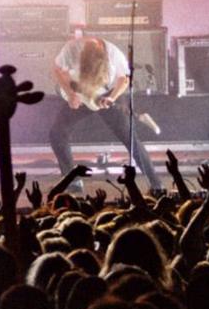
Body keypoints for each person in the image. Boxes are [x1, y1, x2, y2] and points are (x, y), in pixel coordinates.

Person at [47, 29, 160, 189]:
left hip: (107, 93)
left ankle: (156, 184)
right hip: (82, 92)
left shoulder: (114, 54)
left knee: (130, 139)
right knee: (57, 133)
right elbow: (57, 69)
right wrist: (71, 93)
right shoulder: (71, 49)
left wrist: (112, 98)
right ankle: (72, 180)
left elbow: (124, 79)